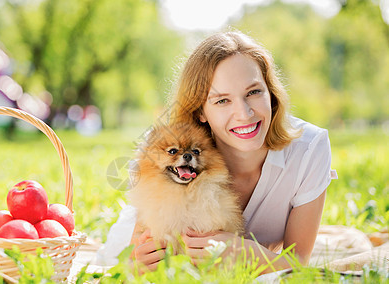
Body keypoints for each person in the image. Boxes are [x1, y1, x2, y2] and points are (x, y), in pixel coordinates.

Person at [95, 30, 337, 274]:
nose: (244, 113)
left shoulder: (308, 149)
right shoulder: (168, 149)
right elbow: (139, 248)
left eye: (253, 92)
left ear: (271, 93)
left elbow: (298, 266)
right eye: (222, 100)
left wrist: (247, 252)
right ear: (200, 111)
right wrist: (134, 264)